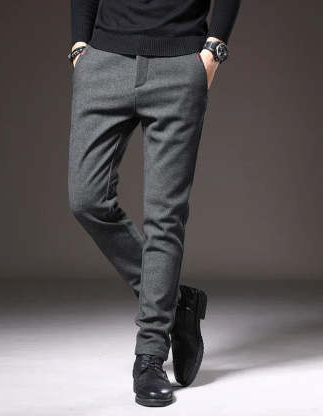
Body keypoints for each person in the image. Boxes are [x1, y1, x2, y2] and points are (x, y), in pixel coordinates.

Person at [68, 0, 240, 407]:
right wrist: (79, 46)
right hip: (104, 61)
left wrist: (212, 52)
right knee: (86, 198)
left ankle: (150, 356)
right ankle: (176, 303)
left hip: (179, 66)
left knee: (165, 217)